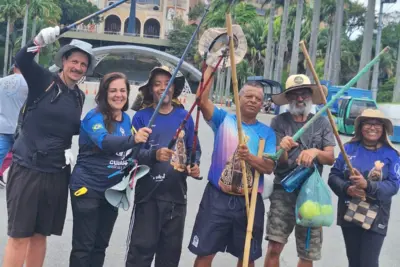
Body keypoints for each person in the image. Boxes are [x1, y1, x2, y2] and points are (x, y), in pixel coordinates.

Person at [2, 26, 96, 267]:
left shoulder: (79, 97)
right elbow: (22, 59)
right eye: (74, 61)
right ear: (64, 61)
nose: (78, 67)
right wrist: (38, 40)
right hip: (28, 169)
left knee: (40, 234)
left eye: (83, 64)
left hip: (56, 173)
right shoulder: (44, 80)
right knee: (20, 235)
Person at [188, 66, 276, 267]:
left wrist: (250, 158)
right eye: (249, 96)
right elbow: (201, 101)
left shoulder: (267, 133)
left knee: (247, 257)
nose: (253, 100)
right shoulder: (224, 119)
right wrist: (211, 65)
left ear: (262, 104)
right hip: (217, 197)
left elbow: (269, 167)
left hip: (250, 201)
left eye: (258, 99)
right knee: (204, 252)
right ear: (239, 97)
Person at [68, 72, 152, 267]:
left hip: (112, 192)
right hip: (87, 188)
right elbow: (105, 142)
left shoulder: (126, 120)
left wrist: (155, 154)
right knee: (84, 246)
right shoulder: (94, 117)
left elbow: (132, 153)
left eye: (123, 90)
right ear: (104, 93)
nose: (118, 95)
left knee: (100, 246)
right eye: (113, 90)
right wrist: (134, 139)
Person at [125, 66, 202, 267]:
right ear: (151, 89)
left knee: (169, 259)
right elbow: (132, 156)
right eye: (157, 84)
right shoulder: (141, 117)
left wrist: (194, 166)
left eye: (167, 84)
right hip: (147, 198)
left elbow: (195, 150)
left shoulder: (185, 117)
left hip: (177, 199)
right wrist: (154, 155)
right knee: (139, 256)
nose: (162, 88)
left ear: (173, 88)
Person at [264, 74, 336, 267]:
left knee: (307, 253)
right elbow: (278, 162)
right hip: (283, 191)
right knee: (274, 246)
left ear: (311, 96)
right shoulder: (278, 122)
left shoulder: (321, 122)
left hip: (312, 195)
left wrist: (315, 151)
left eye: (304, 93)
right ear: (288, 99)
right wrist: (283, 149)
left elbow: (330, 157)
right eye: (295, 94)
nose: (300, 98)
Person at [328, 109, 400, 267]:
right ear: (361, 127)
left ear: (383, 128)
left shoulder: (392, 154)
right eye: (368, 123)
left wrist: (367, 185)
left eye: (377, 124)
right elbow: (333, 177)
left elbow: (393, 186)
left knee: (368, 263)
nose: (372, 127)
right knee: (354, 261)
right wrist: (348, 188)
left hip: (377, 215)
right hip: (350, 212)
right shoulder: (348, 149)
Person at [0, 61, 28, 187]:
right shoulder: (29, 82)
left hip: (3, 126)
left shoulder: (2, 81)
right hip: (21, 128)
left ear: (14, 68)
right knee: (22, 157)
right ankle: (17, 181)